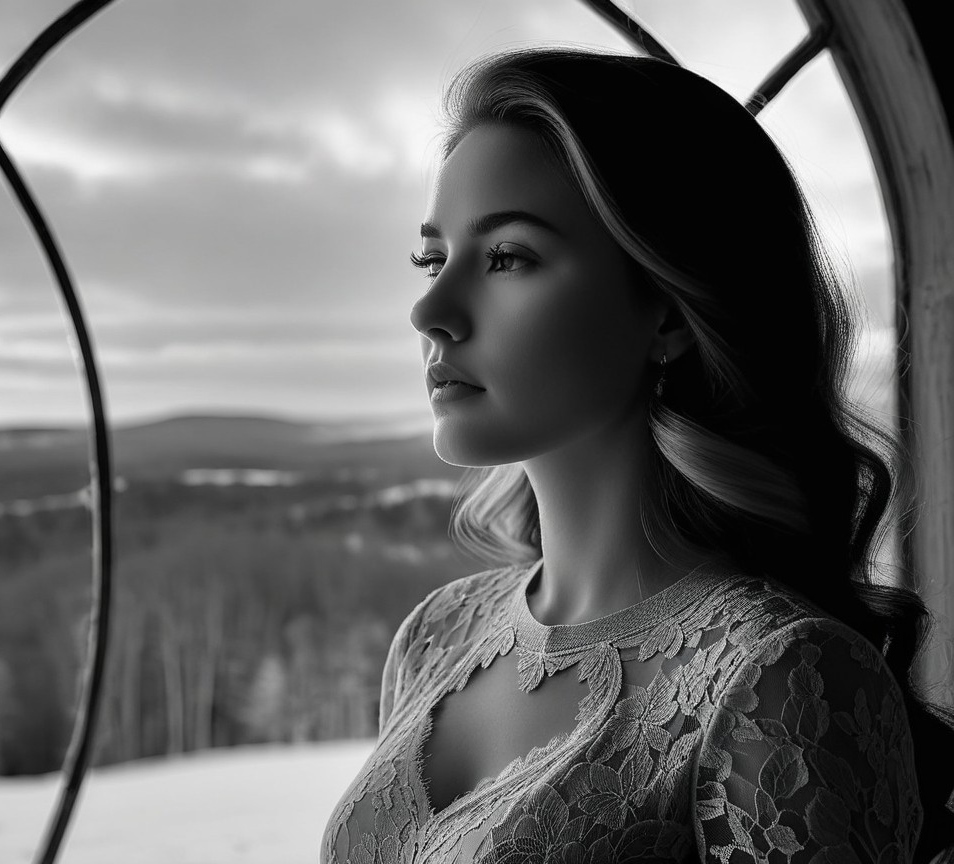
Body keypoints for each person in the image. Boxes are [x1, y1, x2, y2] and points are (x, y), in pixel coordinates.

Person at [320, 45, 954, 864]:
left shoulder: (779, 678)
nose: (430, 310)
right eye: (432, 259)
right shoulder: (437, 636)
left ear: (669, 313)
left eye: (508, 257)